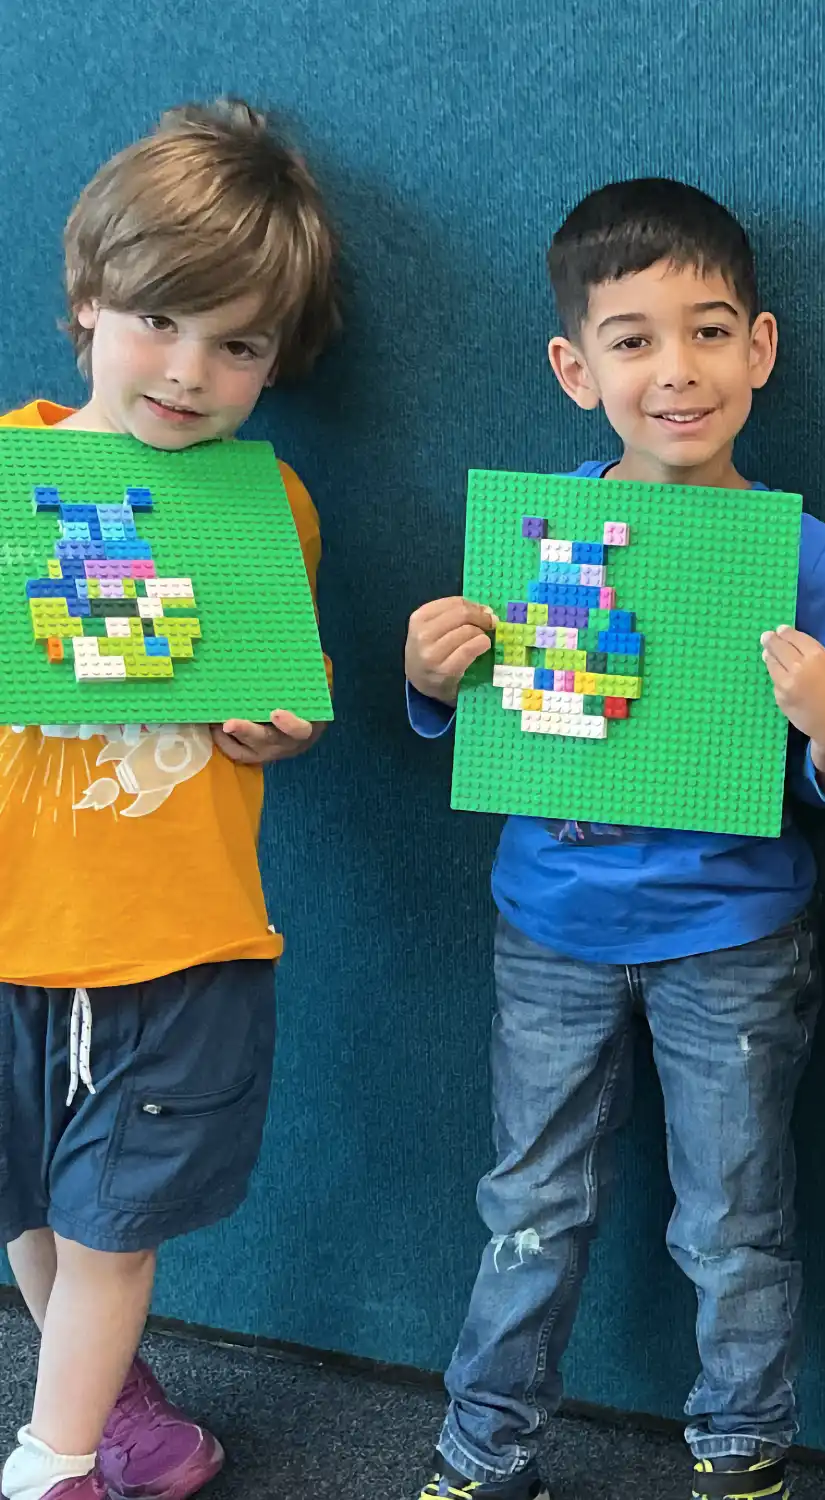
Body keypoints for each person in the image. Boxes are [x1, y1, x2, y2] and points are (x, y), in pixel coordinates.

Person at [403, 178, 825, 1500]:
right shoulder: (536, 537)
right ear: (575, 368)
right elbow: (478, 721)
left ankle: (740, 1456)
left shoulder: (808, 558)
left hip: (733, 941)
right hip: (550, 925)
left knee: (733, 1222)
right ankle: (484, 1453)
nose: (677, 371)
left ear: (761, 349)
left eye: (710, 332)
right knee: (528, 1212)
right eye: (633, 339)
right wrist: (434, 680)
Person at [0, 99, 339, 1500]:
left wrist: (279, 736)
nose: (191, 373)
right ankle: (114, 1404)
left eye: (240, 345)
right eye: (159, 322)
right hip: (17, 928)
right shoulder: (12, 478)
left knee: (114, 1230)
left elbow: (287, 707)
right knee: (31, 1207)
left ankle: (55, 1458)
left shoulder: (274, 512)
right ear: (88, 304)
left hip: (175, 942)